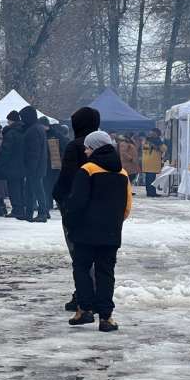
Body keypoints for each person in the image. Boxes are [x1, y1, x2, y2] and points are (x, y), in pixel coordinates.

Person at [64, 131, 131, 332]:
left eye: (88, 147)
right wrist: (114, 223)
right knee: (106, 272)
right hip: (110, 233)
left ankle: (84, 309)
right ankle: (106, 317)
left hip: (85, 231)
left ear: (95, 148)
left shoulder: (88, 170)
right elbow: (127, 205)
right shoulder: (122, 173)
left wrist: (70, 221)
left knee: (82, 269)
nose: (85, 151)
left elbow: (77, 202)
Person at [52, 106, 101, 312]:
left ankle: (83, 295)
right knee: (98, 253)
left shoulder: (75, 146)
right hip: (100, 206)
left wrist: (59, 197)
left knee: (79, 253)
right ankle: (97, 293)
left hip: (76, 206)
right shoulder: (105, 145)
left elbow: (67, 177)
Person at [19, 106, 49, 222]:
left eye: (23, 117)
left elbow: (34, 152)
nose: (22, 120)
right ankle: (30, 213)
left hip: (34, 167)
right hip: (37, 166)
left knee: (37, 190)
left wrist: (31, 168)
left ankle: (42, 213)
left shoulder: (33, 130)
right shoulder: (38, 128)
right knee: (31, 190)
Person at [0, 111, 25, 218]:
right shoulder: (23, 130)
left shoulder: (11, 133)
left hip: (12, 165)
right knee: (20, 187)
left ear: (12, 120)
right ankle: (21, 208)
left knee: (13, 188)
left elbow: (6, 151)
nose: (7, 122)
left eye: (8, 120)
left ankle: (16, 209)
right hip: (22, 165)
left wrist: (1, 164)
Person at [44, 117, 69, 210]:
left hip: (54, 164)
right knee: (52, 185)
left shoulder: (54, 135)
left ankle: (53, 204)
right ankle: (55, 203)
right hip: (55, 164)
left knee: (50, 185)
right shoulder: (58, 135)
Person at [142, 128, 167, 197]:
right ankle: (151, 193)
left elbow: (164, 149)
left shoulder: (156, 141)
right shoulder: (148, 141)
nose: (152, 134)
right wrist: (156, 147)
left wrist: (157, 147)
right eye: (152, 132)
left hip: (151, 162)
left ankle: (151, 192)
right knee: (150, 179)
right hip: (150, 162)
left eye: (154, 133)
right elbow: (164, 148)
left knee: (150, 179)